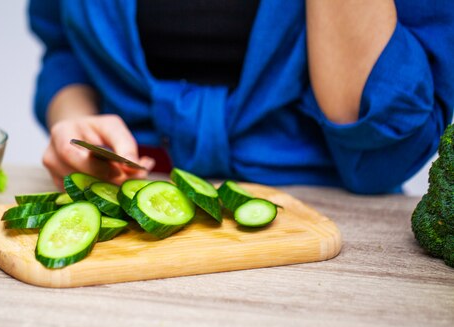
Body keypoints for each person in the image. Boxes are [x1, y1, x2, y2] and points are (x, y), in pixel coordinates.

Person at [29, 0, 454, 194]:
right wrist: (74, 122)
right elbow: (65, 46)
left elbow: (386, 150)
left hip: (324, 215)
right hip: (128, 192)